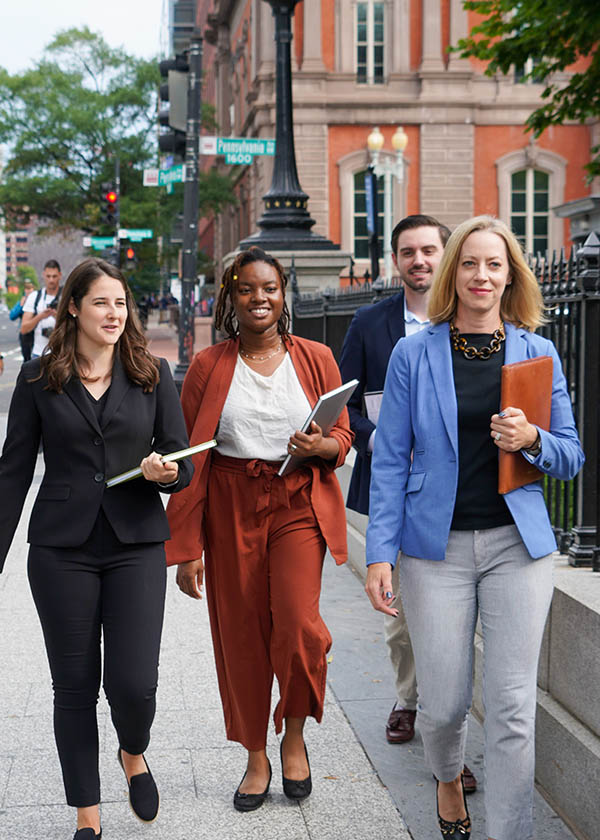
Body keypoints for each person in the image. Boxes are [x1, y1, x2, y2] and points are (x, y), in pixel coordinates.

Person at [365, 216, 584, 840]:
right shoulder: (414, 354)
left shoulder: (538, 352)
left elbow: (571, 455)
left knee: (512, 707)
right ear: (452, 273)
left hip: (518, 548)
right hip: (434, 552)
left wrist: (532, 438)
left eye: (494, 264)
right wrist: (379, 553)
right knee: (443, 707)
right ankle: (446, 779)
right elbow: (390, 459)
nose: (481, 275)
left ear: (510, 276)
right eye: (469, 262)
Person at [0, 257, 193, 840]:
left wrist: (166, 473)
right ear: (74, 308)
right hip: (61, 549)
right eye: (101, 303)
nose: (114, 313)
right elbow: (12, 472)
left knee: (133, 684)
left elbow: (180, 459)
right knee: (74, 686)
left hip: (136, 543)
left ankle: (133, 750)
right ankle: (87, 814)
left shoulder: (153, 373)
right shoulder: (37, 379)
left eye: (121, 303)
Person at [166, 246, 353, 812]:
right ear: (231, 297)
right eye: (246, 289)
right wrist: (188, 547)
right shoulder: (208, 365)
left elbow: (342, 439)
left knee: (297, 625)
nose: (259, 298)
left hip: (296, 500)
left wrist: (321, 445)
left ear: (283, 294)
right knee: (241, 634)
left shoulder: (317, 358)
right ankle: (255, 754)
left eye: (269, 288)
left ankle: (293, 735)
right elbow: (190, 458)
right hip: (230, 503)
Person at [340, 215, 468, 753]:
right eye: (408, 252)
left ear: (446, 255)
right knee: (400, 615)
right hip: (390, 486)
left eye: (429, 250)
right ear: (396, 261)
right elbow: (345, 401)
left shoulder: (471, 321)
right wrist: (380, 440)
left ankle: (445, 728)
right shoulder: (370, 323)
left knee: (450, 616)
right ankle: (408, 698)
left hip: (457, 491)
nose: (419, 261)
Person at [21, 259, 62, 357]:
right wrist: (41, 316)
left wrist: (56, 316)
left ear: (60, 275)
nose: (51, 280)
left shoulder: (65, 297)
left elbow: (76, 327)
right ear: (43, 275)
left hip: (61, 355)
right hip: (38, 353)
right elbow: (24, 329)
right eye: (48, 276)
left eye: (54, 276)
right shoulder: (34, 297)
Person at [9, 278, 36, 361]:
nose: (28, 291)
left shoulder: (37, 301)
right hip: (25, 332)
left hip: (36, 331)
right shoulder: (22, 301)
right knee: (26, 358)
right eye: (27, 288)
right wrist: (21, 306)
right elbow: (12, 316)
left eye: (30, 288)